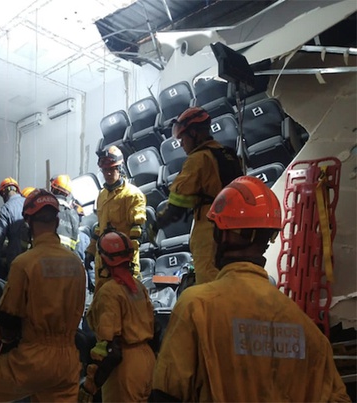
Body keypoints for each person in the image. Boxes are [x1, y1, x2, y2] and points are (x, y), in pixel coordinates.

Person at [152, 176, 351, 402]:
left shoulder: (196, 307)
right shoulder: (305, 328)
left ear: (223, 234)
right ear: (267, 239)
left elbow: (166, 395)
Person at [0, 189, 87, 401]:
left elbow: (9, 320)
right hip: (69, 361)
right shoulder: (76, 264)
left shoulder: (25, 263)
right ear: (56, 222)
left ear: (28, 223)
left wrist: (4, 337)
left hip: (34, 360)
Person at [155, 106, 243, 284]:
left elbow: (177, 205)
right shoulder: (228, 154)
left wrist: (158, 223)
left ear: (194, 133)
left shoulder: (198, 159)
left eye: (183, 138)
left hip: (211, 232)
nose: (181, 144)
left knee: (210, 285)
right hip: (236, 231)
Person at [80, 230, 155, 402]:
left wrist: (90, 385)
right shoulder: (138, 286)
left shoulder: (109, 292)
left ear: (104, 260)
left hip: (125, 369)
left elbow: (108, 349)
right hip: (148, 361)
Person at [85, 145, 146, 288]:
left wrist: (129, 261)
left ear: (119, 168)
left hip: (123, 263)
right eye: (105, 170)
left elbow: (137, 231)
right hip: (103, 264)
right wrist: (91, 251)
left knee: (123, 302)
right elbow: (100, 228)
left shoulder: (132, 195)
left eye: (111, 169)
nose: (108, 173)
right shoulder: (101, 196)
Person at [0, 177, 27, 279]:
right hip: (33, 256)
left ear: (3, 193)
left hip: (16, 257)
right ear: (17, 190)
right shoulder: (29, 203)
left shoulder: (5, 210)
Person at [50, 174, 80, 252]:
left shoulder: (47, 209)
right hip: (66, 259)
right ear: (67, 194)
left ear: (53, 188)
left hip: (45, 257)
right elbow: (77, 243)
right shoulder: (73, 215)